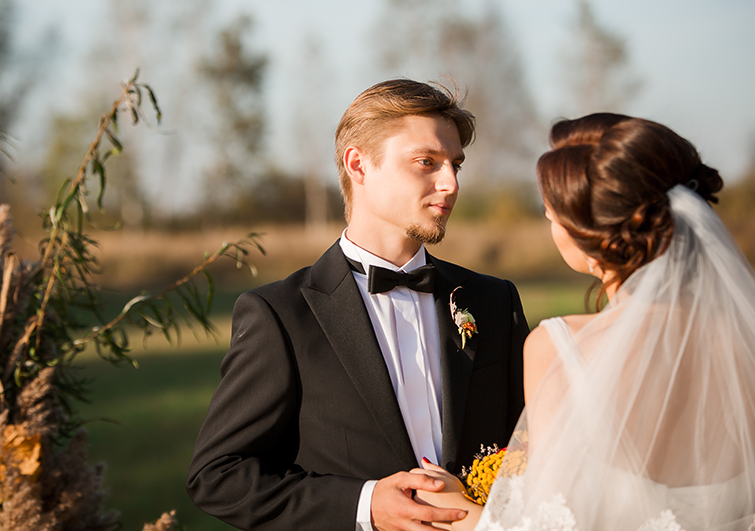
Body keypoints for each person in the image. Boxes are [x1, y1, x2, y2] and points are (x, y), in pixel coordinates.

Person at [186, 79, 529, 530]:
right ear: (359, 164)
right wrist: (364, 505)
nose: (450, 183)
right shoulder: (279, 315)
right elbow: (219, 475)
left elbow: (536, 447)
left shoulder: (493, 301)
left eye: (455, 166)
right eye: (427, 162)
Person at [414, 113, 755, 530]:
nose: (549, 221)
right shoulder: (744, 339)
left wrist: (461, 512)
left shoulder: (560, 347)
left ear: (593, 236)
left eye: (552, 212)